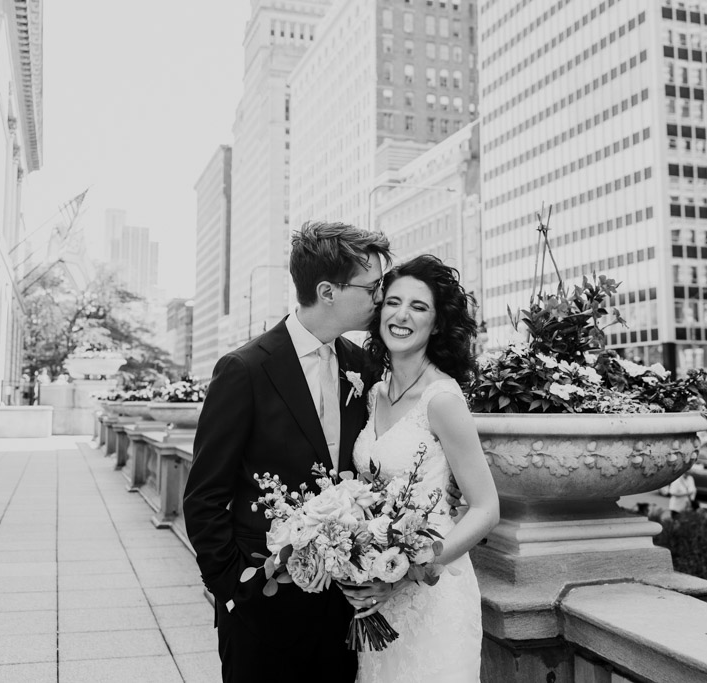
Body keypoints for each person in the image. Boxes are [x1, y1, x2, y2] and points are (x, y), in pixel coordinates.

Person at [183, 221, 391, 683]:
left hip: (342, 608)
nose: (379, 297)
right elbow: (203, 495)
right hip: (262, 610)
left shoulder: (363, 366)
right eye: (372, 287)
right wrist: (238, 589)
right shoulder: (244, 369)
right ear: (328, 291)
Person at [340, 254, 500, 682]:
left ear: (437, 323)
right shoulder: (373, 393)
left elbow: (486, 508)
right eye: (393, 302)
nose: (401, 315)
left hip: (433, 591)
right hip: (379, 593)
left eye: (419, 306)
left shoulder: (442, 399)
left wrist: (417, 566)